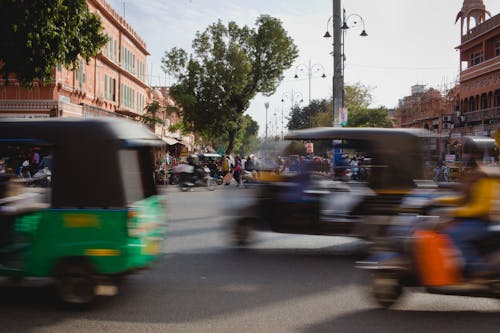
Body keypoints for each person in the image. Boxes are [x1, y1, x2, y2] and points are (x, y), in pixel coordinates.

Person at [436, 141, 499, 277]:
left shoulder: (486, 175)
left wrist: (455, 212)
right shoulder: (473, 173)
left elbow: (481, 207)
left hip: (482, 221)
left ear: (479, 154)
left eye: (469, 152)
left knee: (454, 234)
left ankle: (478, 270)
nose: (466, 156)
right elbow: (463, 198)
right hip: (472, 218)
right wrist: (436, 200)